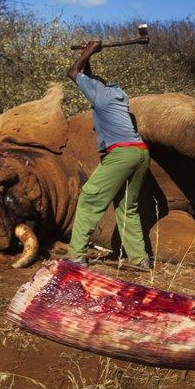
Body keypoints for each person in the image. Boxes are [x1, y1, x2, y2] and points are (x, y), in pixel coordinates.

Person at [66, 40, 152, 272]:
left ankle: (75, 256)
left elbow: (72, 72)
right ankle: (139, 260)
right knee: (127, 208)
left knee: (88, 199)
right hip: (141, 153)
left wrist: (88, 50)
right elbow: (91, 80)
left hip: (122, 154)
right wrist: (90, 57)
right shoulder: (116, 94)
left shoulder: (100, 96)